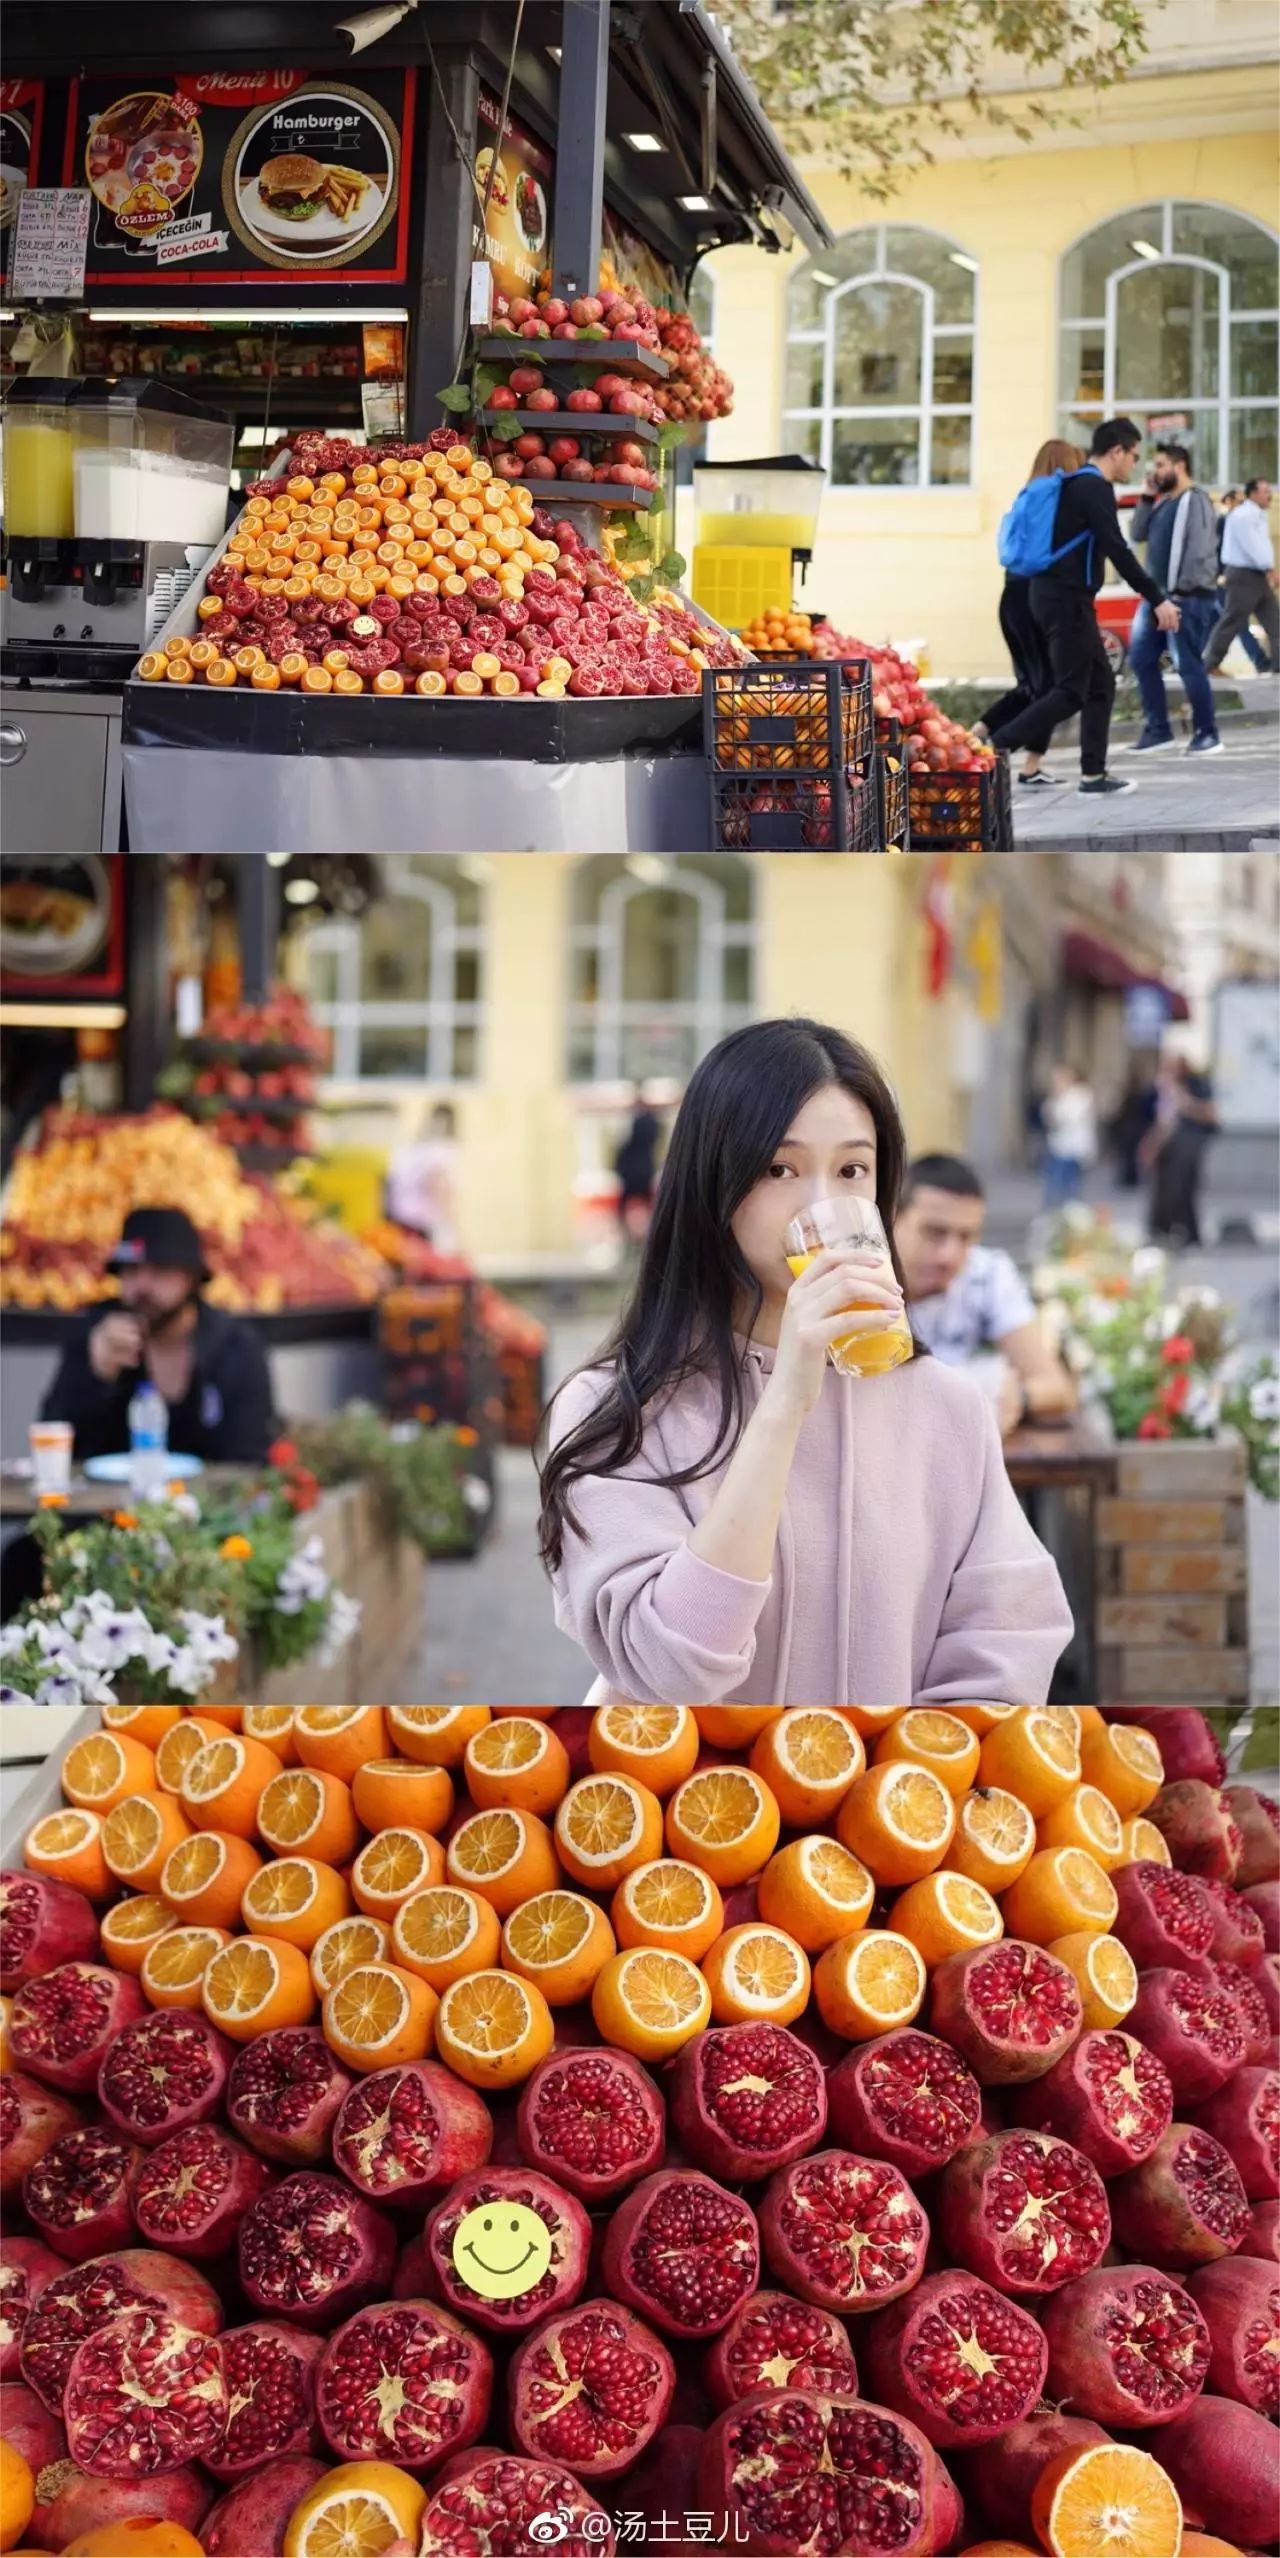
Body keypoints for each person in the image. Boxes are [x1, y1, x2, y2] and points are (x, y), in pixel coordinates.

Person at [538, 1017, 1072, 1708]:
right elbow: (674, 1668)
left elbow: (1008, 1639)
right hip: (680, 1806)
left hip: (888, 1807)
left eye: (851, 1170)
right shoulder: (616, 1409)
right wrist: (786, 1400)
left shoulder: (947, 1407)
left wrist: (904, 1787)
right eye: (779, 1169)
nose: (824, 1204)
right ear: (714, 1183)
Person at [990, 418, 1180, 798]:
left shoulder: (1077, 485)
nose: (1134, 465)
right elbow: (1117, 549)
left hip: (1058, 597)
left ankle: (1093, 775)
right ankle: (994, 747)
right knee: (1071, 691)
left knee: (1100, 685)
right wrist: (1157, 598)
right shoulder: (1093, 487)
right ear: (1117, 452)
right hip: (1064, 599)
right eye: (1133, 456)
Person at [40, 1207, 275, 1467]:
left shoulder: (236, 1346)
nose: (142, 1286)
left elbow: (252, 1459)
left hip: (210, 1503)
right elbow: (54, 1449)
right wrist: (96, 1375)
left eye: (160, 1270)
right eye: (130, 1270)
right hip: (109, 1502)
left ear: (192, 1278)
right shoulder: (95, 1334)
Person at [894, 1154, 1076, 1438]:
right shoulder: (860, 1278)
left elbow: (1055, 1387)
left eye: (966, 1237)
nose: (950, 1255)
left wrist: (1018, 1400)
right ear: (892, 1219)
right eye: (934, 1233)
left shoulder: (986, 1273)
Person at [976, 438, 1083, 789]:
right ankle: (1025, 764)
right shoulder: (1055, 495)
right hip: (1034, 595)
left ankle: (974, 736)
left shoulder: (1026, 494)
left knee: (1030, 685)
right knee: (1051, 687)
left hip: (1010, 596)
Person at [1128, 445, 1223, 755]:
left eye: (1160, 465)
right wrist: (1145, 496)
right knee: (1141, 659)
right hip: (1156, 599)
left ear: (1180, 466)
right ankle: (1159, 730)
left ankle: (1207, 734)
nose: (1155, 472)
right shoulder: (1162, 503)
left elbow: (1199, 551)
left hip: (1186, 598)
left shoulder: (1194, 500)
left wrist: (1180, 592)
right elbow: (1137, 532)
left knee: (1188, 665)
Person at [1206, 478, 1279, 677]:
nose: (1269, 495)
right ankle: (1209, 663)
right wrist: (1270, 569)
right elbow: (1252, 547)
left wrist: (1267, 570)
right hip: (1243, 576)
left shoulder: (1256, 515)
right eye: (1264, 491)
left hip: (1257, 575)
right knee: (1232, 621)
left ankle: (1278, 666)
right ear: (1253, 494)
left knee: (1275, 621)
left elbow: (1262, 547)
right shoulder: (1243, 516)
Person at [1146, 1056, 1219, 1248]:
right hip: (1169, 1147)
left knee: (1183, 1189)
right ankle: (1163, 1230)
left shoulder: (1197, 1086)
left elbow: (1211, 1115)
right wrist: (1152, 1145)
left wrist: (1186, 1103)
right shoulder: (1165, 1090)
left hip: (1189, 1144)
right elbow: (1164, 1121)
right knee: (1165, 1190)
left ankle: (1188, 1232)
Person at [385, 1102, 460, 1252]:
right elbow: (438, 1187)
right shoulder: (441, 1150)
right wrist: (453, 1225)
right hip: (425, 1222)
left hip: (400, 1217)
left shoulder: (413, 1148)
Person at [1216, 491, 1270, 672]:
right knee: (1233, 623)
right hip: (1222, 580)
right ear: (1228, 501)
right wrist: (1219, 574)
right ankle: (1260, 661)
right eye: (1238, 501)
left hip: (1227, 580)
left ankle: (1260, 661)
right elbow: (1216, 549)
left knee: (1231, 623)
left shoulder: (1237, 521)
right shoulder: (1224, 521)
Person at [1041, 1065, 1097, 1209]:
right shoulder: (1057, 1097)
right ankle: (1054, 1213)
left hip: (1073, 1149)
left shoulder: (1080, 1096)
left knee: (1069, 1185)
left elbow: (1067, 1119)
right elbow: (1046, 1115)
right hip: (1057, 1147)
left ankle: (1070, 1214)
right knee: (1053, 1184)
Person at [614, 1085, 661, 1243]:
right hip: (641, 1170)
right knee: (644, 1202)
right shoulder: (650, 1122)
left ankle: (634, 1235)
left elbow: (628, 1147)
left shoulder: (640, 1123)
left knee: (628, 1203)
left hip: (635, 1171)